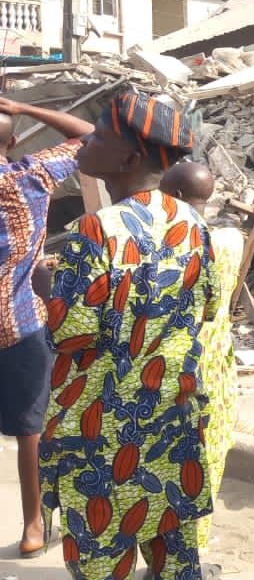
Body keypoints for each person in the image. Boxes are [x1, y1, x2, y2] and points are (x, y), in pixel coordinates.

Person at [41, 86, 220, 580]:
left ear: (129, 157)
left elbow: (71, 333)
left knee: (102, 560)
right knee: (175, 559)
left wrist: (46, 287)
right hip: (172, 422)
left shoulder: (95, 231)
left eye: (99, 133)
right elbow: (204, 305)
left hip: (103, 431)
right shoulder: (192, 223)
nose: (87, 141)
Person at [0, 97, 94, 557]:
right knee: (29, 431)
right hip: (21, 326)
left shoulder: (29, 177)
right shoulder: (32, 176)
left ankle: (37, 521)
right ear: (13, 141)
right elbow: (89, 135)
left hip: (21, 326)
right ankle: (34, 523)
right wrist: (24, 106)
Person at [160, 160, 245, 558]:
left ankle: (169, 554)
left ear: (173, 198)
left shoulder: (167, 250)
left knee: (166, 469)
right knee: (206, 465)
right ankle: (191, 552)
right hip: (218, 375)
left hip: (176, 376)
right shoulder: (229, 241)